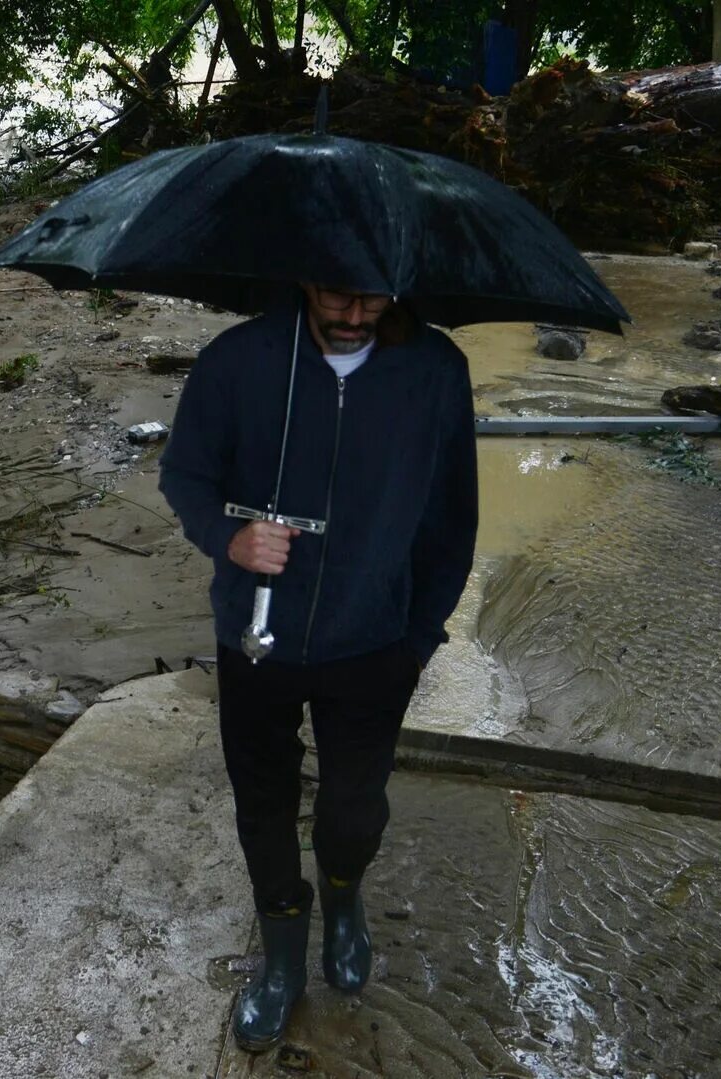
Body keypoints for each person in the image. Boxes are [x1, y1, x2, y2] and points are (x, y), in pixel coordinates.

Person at [157, 283, 478, 1050]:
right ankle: (280, 964)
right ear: (303, 278)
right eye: (337, 296)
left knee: (352, 812)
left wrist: (419, 634)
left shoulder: (434, 369)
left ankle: (344, 900)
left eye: (373, 298)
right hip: (255, 637)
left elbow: (452, 514)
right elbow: (185, 476)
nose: (355, 316)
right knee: (262, 806)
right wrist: (228, 540)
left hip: (375, 643)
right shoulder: (239, 360)